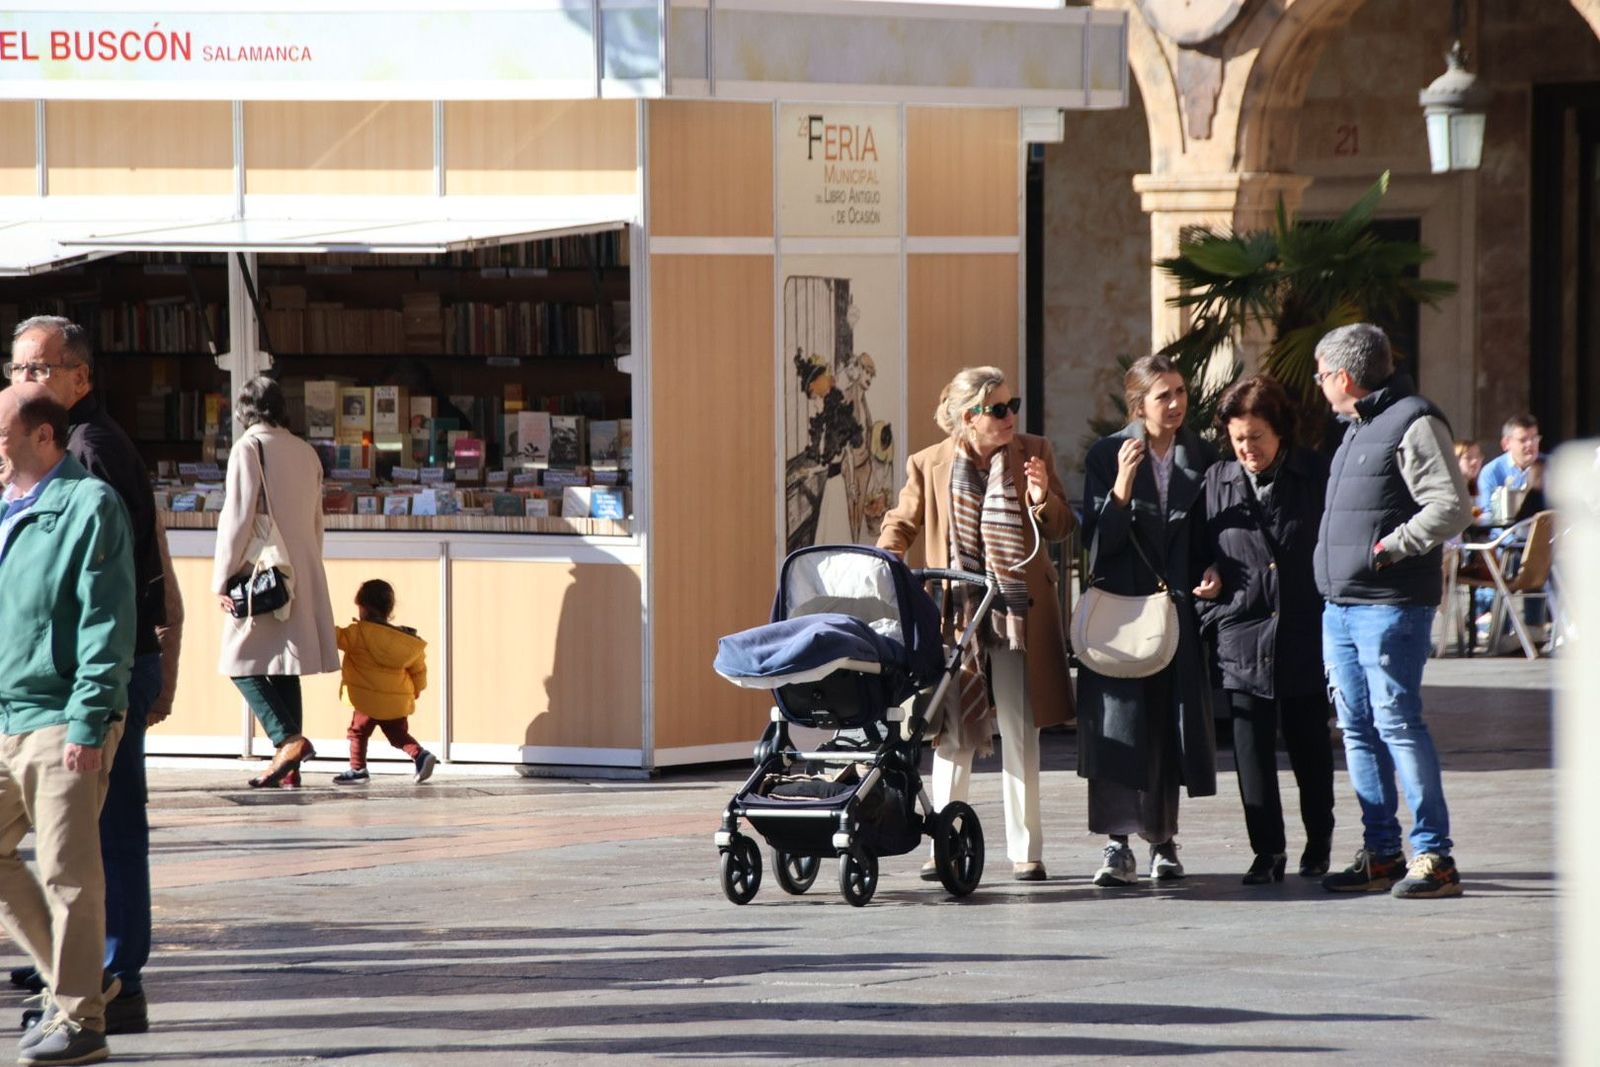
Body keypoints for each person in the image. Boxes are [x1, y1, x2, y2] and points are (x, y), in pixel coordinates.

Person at [8, 315, 165, 1032]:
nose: (26, 380)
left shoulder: (88, 453)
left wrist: (93, 706)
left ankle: (106, 978)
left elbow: (105, 601)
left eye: (39, 369)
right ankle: (83, 974)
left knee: (99, 838)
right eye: (18, 368)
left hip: (87, 684)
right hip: (50, 689)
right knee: (86, 837)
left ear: (79, 377)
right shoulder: (35, 467)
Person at [877, 366, 1076, 882]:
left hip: (1016, 612)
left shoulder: (1034, 451)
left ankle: (1026, 851)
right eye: (999, 409)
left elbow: (1061, 526)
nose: (1011, 417)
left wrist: (1041, 497)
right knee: (953, 733)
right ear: (969, 417)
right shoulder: (929, 463)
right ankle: (944, 842)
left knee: (1020, 729)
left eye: (1013, 406)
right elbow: (902, 521)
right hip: (959, 614)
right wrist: (885, 558)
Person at [1312, 323, 1472, 899]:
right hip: (1342, 607)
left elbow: (1450, 507)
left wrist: (1389, 548)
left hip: (1389, 606)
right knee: (1357, 729)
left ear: (1343, 376)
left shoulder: (1413, 420)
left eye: (1321, 375)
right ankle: (1381, 853)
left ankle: (1434, 855)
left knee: (1398, 724)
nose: (1319, 385)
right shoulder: (1357, 427)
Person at [0, 384, 134, 1066]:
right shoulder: (7, 506)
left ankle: (82, 1022)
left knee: (66, 872)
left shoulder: (89, 504)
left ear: (43, 436)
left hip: (61, 715)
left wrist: (88, 720)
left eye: (1, 436)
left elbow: (107, 623)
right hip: (6, 714)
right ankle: (78, 982)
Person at [1076, 354, 1218, 887]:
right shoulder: (1107, 454)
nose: (1176, 403)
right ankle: (1117, 846)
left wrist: (1215, 569)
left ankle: (1163, 841)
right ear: (1139, 404)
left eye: (1181, 392)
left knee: (1164, 725)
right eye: (1164, 395)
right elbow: (1097, 546)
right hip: (1121, 611)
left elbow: (1213, 533)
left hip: (1177, 610)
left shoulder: (1202, 456)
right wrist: (1122, 484)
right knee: (1118, 725)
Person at [1194, 376, 1335, 885]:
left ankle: (1318, 842)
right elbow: (1200, 547)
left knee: (1309, 746)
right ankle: (1267, 850)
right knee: (1250, 751)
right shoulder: (1217, 480)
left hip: (1302, 629)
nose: (1247, 449)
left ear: (1280, 432)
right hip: (1242, 631)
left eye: (1256, 437)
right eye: (1238, 439)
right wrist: (1208, 577)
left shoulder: (1316, 474)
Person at [213, 376, 338, 789]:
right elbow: (316, 519)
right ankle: (291, 767)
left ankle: (287, 740)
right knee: (284, 666)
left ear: (244, 409)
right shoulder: (305, 451)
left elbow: (237, 518)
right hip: (298, 565)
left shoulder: (249, 448)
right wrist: (309, 564)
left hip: (261, 571)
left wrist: (223, 577)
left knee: (238, 661)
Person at [332, 579, 437, 785]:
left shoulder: (357, 633)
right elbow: (419, 670)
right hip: (395, 701)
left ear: (362, 607)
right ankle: (420, 755)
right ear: (389, 609)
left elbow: (335, 636)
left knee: (357, 733)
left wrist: (318, 618)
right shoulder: (404, 640)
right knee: (398, 735)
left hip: (366, 700)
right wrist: (417, 689)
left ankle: (358, 769)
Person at [1476, 414, 1546, 522]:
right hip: (1506, 532)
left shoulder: (1550, 466)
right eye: (1523, 440)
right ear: (1506, 444)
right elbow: (1487, 514)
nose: (1530, 444)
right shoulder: (1491, 472)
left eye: (1534, 438)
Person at [1453, 439, 1483, 506]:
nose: (1475, 461)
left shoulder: (1474, 489)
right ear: (1456, 460)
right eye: (1468, 457)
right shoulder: (1451, 492)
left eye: (1478, 456)